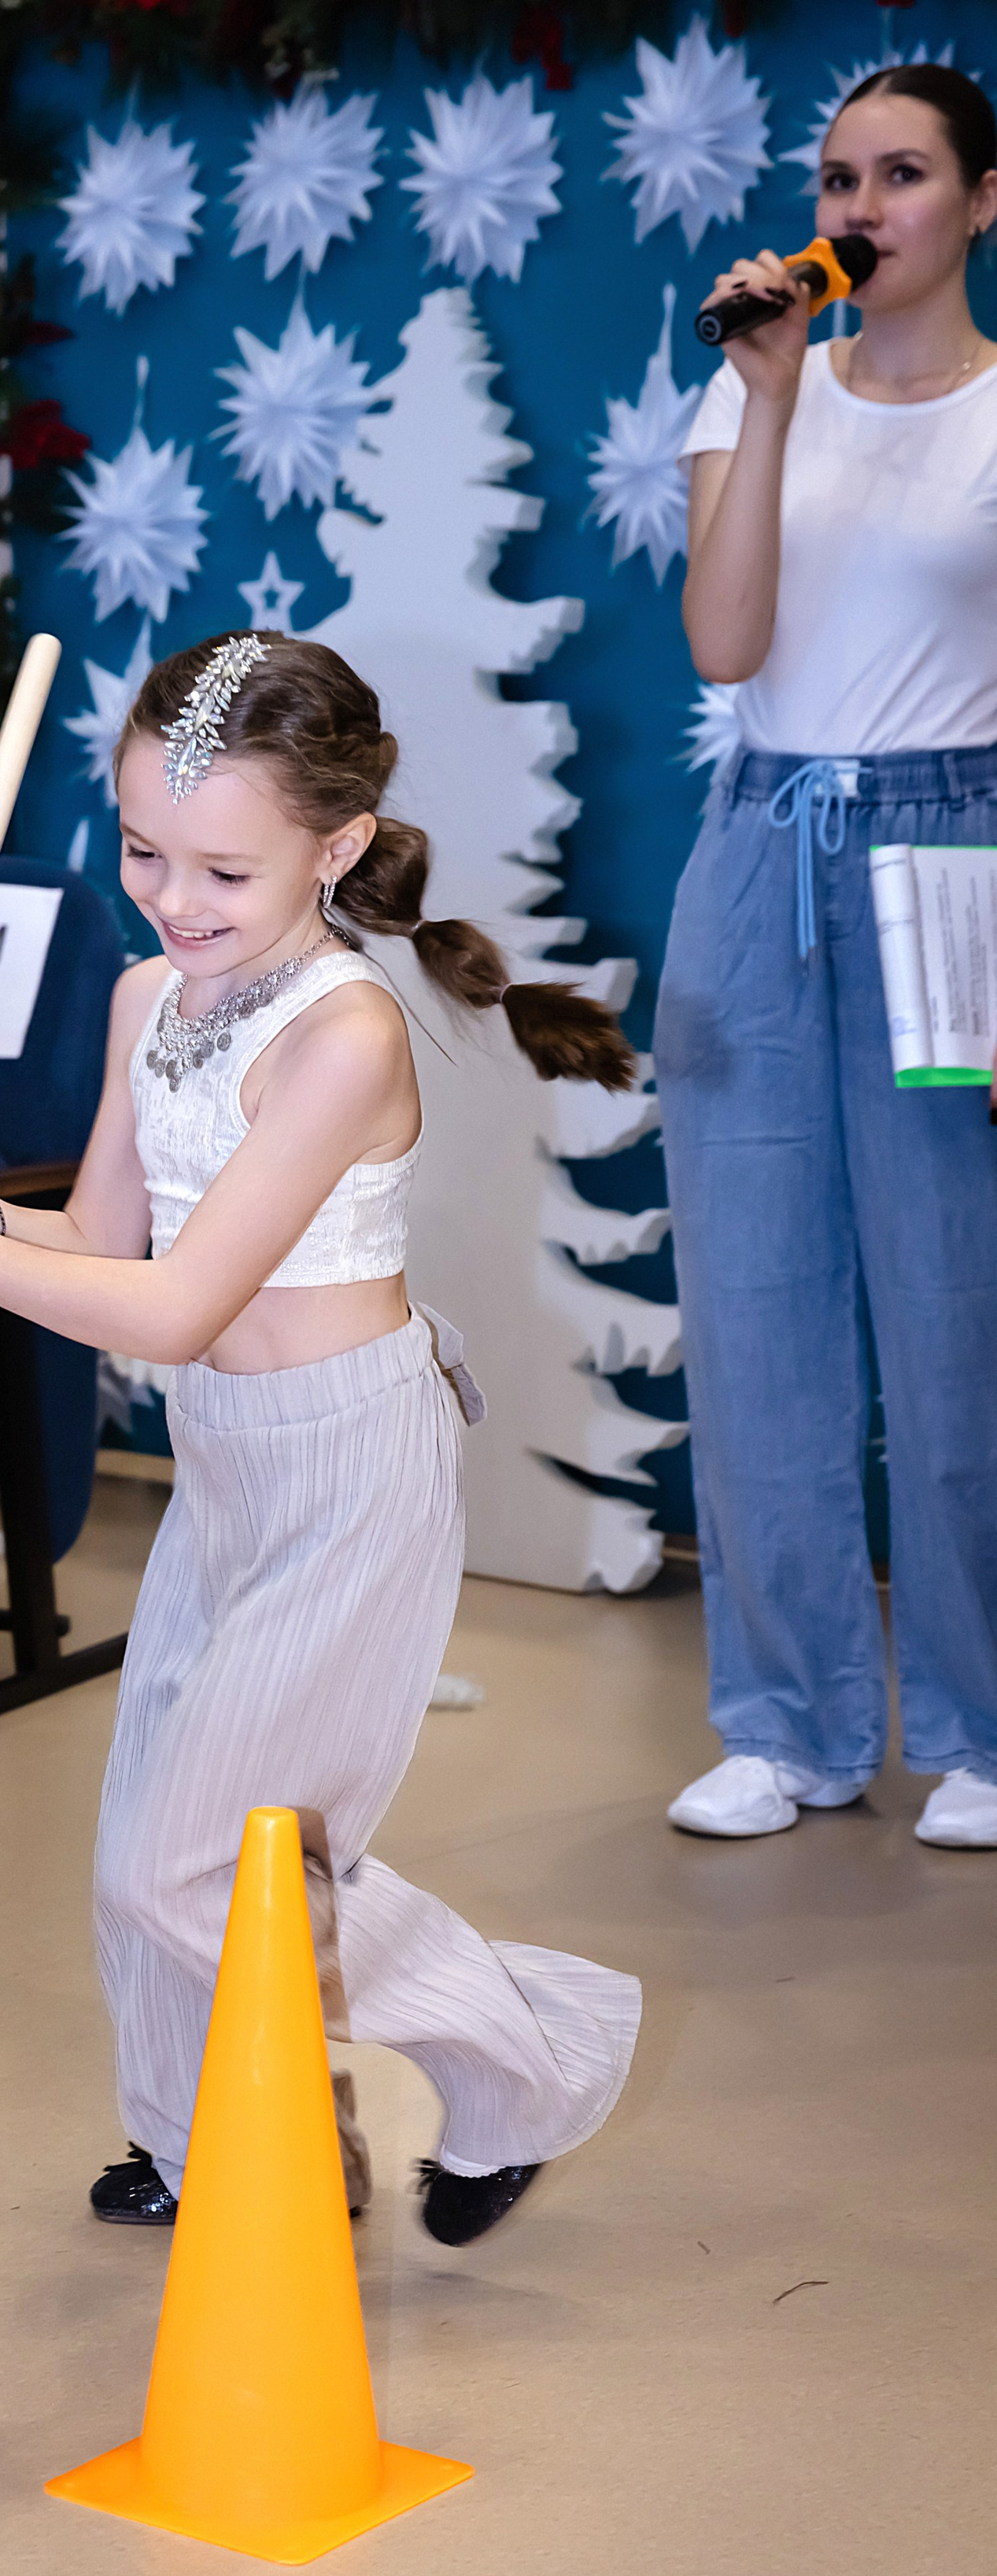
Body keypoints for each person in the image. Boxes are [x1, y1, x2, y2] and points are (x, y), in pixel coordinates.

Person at [0, 631, 643, 2245]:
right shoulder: (149, 994)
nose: (172, 898)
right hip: (225, 1455)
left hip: (350, 1468)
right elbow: (103, 1243)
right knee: (145, 1830)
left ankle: (532, 2063)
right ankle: (198, 2139)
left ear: (336, 847)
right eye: (142, 850)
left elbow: (174, 1305)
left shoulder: (345, 1037)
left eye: (222, 868)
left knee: (199, 1865)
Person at [662, 64, 997, 1851]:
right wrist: (773, 395)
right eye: (838, 178)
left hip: (955, 854)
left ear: (980, 202)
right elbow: (726, 645)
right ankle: (785, 1721)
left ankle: (981, 1725)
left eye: (903, 174)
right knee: (753, 1308)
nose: (862, 208)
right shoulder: (746, 385)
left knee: (955, 1306)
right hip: (758, 850)